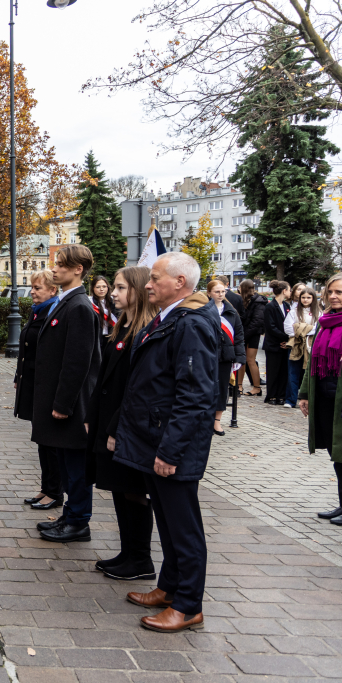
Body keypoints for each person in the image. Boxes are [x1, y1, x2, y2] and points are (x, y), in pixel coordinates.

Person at [114, 252, 219, 634]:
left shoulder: (191, 323)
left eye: (155, 278)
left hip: (172, 446)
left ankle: (188, 606)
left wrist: (170, 451)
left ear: (179, 282)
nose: (148, 284)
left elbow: (195, 395)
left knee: (183, 528)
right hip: (156, 439)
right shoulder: (172, 316)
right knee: (170, 524)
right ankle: (170, 588)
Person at [86, 266, 158, 580]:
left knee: (132, 491)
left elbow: (136, 387)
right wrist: (92, 416)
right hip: (109, 423)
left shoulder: (145, 331)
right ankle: (128, 552)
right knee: (119, 488)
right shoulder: (123, 325)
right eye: (113, 287)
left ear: (138, 291)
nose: (113, 293)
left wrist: (115, 427)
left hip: (126, 427)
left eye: (120, 288)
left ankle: (141, 559)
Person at [32, 244, 102, 543]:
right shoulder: (67, 301)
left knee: (76, 467)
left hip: (70, 405)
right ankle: (70, 515)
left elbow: (78, 361)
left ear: (78, 269)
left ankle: (79, 521)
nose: (55, 268)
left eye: (61, 264)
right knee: (64, 462)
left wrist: (63, 403)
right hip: (58, 400)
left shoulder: (80, 306)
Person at [15, 270, 64, 511]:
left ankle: (55, 492)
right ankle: (46, 488)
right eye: (32, 287)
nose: (32, 292)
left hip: (47, 386)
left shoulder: (54, 312)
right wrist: (19, 376)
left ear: (52, 290)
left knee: (50, 442)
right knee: (42, 440)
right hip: (34, 383)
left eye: (37, 288)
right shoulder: (38, 311)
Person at [298, 274, 342, 526]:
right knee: (337, 455)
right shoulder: (325, 322)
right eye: (330, 292)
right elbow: (312, 362)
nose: (334, 296)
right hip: (326, 397)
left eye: (339, 292)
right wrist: (305, 394)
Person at [207, 279, 245, 435]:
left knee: (222, 388)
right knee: (207, 388)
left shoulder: (231, 312)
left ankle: (217, 421)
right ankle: (206, 420)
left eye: (223, 291)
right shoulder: (203, 311)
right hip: (208, 355)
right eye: (217, 291)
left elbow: (239, 336)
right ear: (209, 293)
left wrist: (239, 357)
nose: (220, 294)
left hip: (226, 356)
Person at [285, 286, 320, 408]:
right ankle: (290, 399)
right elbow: (288, 328)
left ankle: (309, 398)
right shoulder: (294, 312)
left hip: (311, 345)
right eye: (303, 297)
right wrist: (306, 329)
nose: (305, 300)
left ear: (313, 298)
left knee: (308, 372)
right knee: (292, 373)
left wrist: (299, 328)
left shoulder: (318, 312)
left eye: (308, 297)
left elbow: (318, 328)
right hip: (296, 344)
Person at [264, 280, 291, 405]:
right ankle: (272, 395)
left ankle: (281, 395)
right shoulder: (270, 306)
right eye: (289, 290)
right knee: (273, 371)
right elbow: (271, 327)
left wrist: (288, 340)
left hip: (285, 344)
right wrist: (285, 337)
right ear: (284, 291)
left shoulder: (286, 306)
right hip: (273, 344)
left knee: (283, 371)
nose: (290, 292)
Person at [240, 279, 268, 396]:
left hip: (253, 335)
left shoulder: (258, 302)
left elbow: (257, 321)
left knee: (250, 360)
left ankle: (257, 387)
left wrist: (244, 335)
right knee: (242, 360)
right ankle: (239, 385)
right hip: (245, 334)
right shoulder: (243, 300)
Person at [90, 275, 118, 346]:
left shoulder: (115, 302)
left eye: (104, 286)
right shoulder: (89, 303)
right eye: (98, 287)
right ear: (93, 288)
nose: (101, 289)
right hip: (96, 338)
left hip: (111, 337)